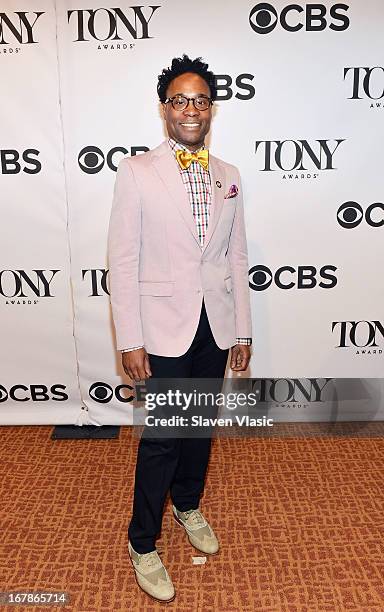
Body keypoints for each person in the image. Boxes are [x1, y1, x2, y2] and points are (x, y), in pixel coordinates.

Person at [107, 54, 252, 603]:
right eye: (178, 100)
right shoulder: (138, 171)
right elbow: (123, 261)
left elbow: (236, 259)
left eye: (200, 100)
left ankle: (187, 504)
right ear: (164, 110)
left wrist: (242, 330)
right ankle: (142, 541)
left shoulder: (229, 176)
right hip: (162, 326)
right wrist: (130, 339)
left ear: (211, 108)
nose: (190, 109)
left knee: (197, 429)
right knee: (163, 438)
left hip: (213, 327)